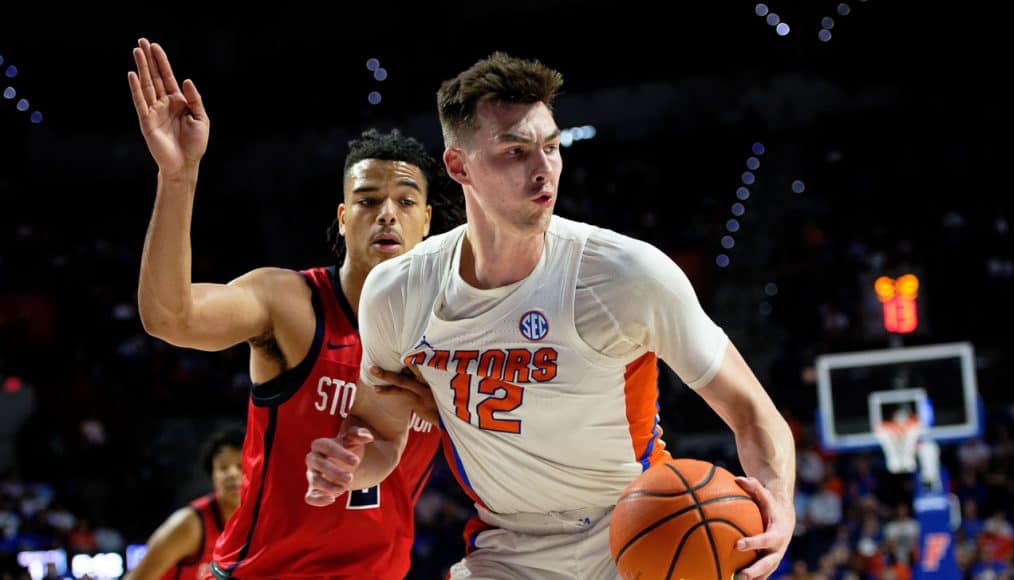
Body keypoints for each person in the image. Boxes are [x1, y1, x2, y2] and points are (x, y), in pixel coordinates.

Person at [305, 52, 797, 580]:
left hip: (635, 524)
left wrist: (779, 502)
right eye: (514, 151)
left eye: (551, 146)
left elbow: (754, 414)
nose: (542, 169)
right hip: (507, 543)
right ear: (458, 166)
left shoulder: (626, 274)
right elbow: (381, 437)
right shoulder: (398, 291)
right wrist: (352, 466)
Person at [129, 38, 449, 579]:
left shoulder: (454, 331)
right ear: (344, 218)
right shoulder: (290, 303)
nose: (387, 215)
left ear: (426, 223)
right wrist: (178, 177)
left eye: (405, 201)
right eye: (369, 200)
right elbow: (169, 317)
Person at [125, 427, 244, 580]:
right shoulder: (188, 524)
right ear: (213, 476)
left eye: (240, 466)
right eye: (223, 468)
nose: (232, 474)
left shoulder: (263, 524)